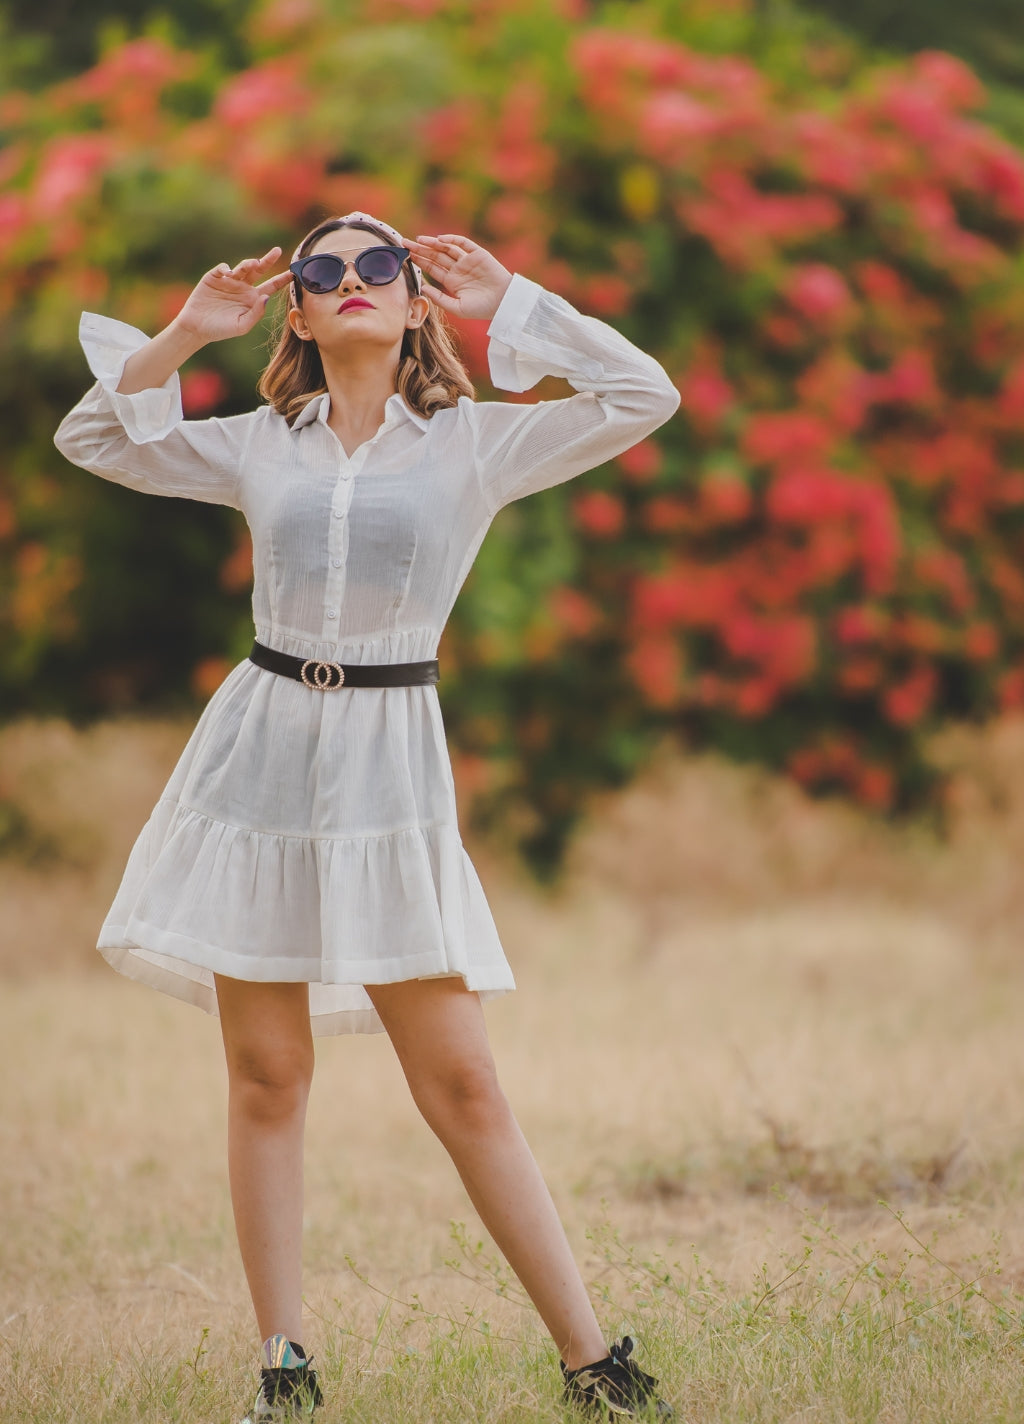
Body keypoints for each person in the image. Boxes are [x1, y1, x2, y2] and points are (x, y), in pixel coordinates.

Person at [54, 210, 681, 1421]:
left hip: (391, 768)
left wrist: (514, 300)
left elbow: (640, 395)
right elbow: (93, 432)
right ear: (295, 309)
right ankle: (284, 1368)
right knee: (266, 1074)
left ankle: (593, 1363)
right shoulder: (256, 445)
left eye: (378, 265)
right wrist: (188, 328)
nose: (351, 281)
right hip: (260, 754)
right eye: (323, 270)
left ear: (414, 299)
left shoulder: (473, 445)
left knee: (463, 1084)